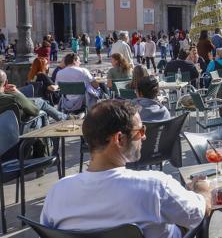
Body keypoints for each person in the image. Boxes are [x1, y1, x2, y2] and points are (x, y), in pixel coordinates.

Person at [40, 100, 208, 237]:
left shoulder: (58, 192)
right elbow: (199, 213)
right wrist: (201, 190)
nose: (144, 136)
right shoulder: (156, 187)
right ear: (119, 139)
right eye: (141, 130)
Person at [1, 69, 68, 122]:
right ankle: (49, 137)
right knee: (42, 109)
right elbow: (35, 111)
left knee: (39, 102)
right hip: (21, 126)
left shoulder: (11, 98)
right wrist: (18, 93)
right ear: (6, 82)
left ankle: (63, 117)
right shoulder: (14, 98)